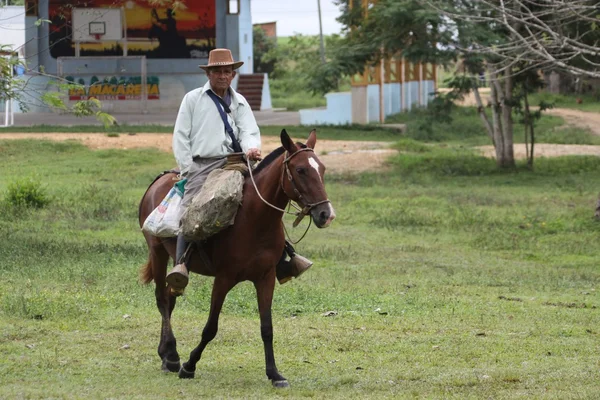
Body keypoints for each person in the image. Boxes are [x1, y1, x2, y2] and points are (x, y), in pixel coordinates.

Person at [166, 48, 312, 292]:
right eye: (217, 71)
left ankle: (285, 256)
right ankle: (181, 264)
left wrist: (251, 149)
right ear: (209, 73)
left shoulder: (240, 101)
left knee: (263, 198)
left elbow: (249, 131)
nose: (222, 76)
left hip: (237, 160)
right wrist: (188, 168)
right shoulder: (192, 99)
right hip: (204, 163)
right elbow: (181, 135)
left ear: (233, 74)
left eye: (227, 71)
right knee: (190, 203)